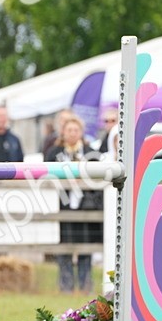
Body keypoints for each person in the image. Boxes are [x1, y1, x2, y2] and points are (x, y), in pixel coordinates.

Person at [44, 115, 102, 293]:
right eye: (69, 130)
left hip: (86, 206)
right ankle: (66, 286)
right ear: (63, 132)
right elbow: (46, 176)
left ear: (81, 132)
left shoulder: (90, 152)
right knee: (65, 246)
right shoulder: (54, 152)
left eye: (76, 130)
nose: (72, 133)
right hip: (62, 204)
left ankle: (86, 285)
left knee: (86, 247)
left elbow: (98, 177)